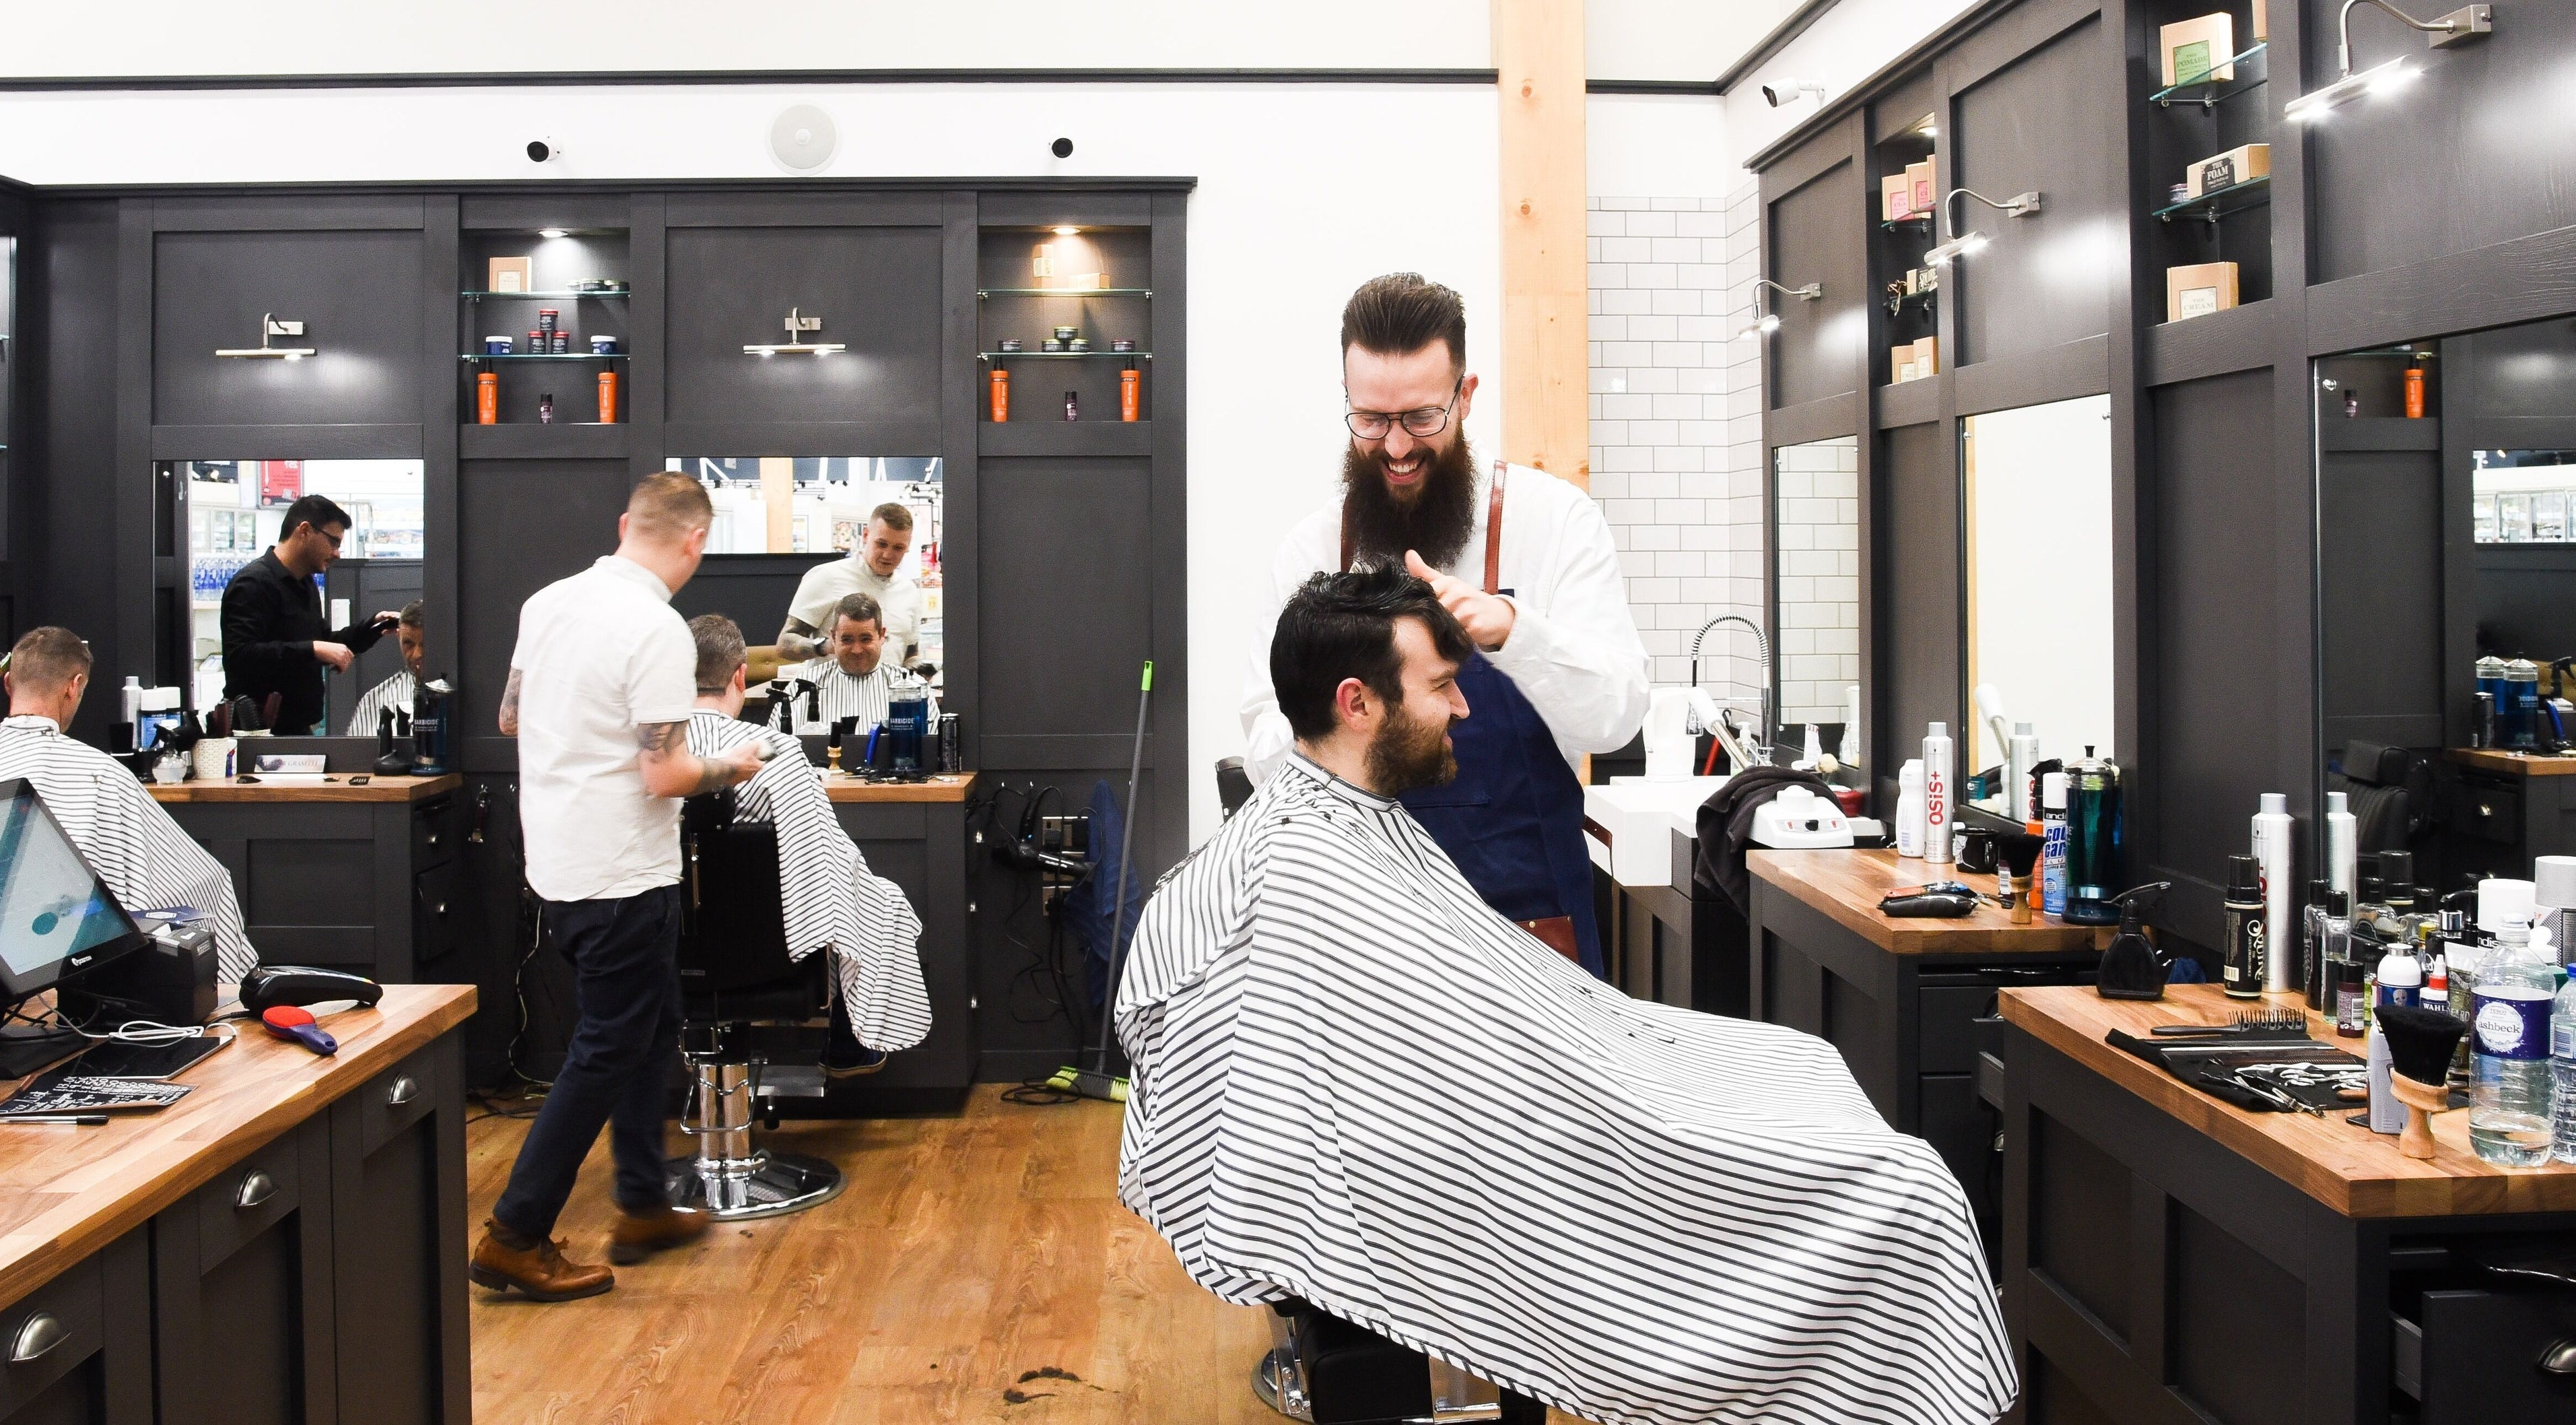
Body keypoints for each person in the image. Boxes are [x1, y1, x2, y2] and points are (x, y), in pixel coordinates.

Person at [1120, 570, 2016, 1425]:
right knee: (1909, 1189)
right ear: (1358, 704)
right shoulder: (1308, 867)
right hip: (1528, 1124)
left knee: (1799, 1061)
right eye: (1440, 686)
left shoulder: (1336, 824)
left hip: (1563, 1075)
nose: (1464, 708)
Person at [1240, 272, 1649, 976]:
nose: (1396, 446)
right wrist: (1341, 704)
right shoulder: (1311, 551)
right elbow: (1264, 751)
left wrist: (1516, 634)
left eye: (1421, 418)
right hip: (1365, 934)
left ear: (1467, 395)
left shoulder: (1553, 522)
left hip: (1529, 932)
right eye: (1371, 419)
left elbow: (1614, 719)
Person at [469, 472, 766, 1304]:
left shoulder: (548, 601)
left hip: (559, 859)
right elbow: (666, 770)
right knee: (609, 1042)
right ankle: (515, 1233)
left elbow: (510, 718)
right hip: (624, 872)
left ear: (625, 523)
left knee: (651, 1022)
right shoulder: (657, 629)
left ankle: (641, 1197)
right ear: (695, 541)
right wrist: (734, 765)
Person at [685, 614, 932, 1077]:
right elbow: (826, 866)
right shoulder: (772, 750)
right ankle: (847, 1041)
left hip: (658, 950)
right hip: (764, 953)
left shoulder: (652, 757)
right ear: (740, 675)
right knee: (877, 899)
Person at [0, 626, 259, 988]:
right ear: (74, 685)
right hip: (81, 962)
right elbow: (187, 884)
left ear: (8, 684)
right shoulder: (99, 773)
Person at [219, 494, 400, 735]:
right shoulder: (252, 583)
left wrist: (371, 629)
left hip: (300, 728)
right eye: (333, 542)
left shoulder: (305, 584)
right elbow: (240, 656)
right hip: (257, 733)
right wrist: (313, 649)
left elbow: (326, 644)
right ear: (304, 531)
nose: (337, 553)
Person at [775, 502, 926, 666]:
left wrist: (923, 671)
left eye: (898, 548)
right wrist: (827, 646)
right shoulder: (826, 576)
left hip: (888, 690)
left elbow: (910, 654)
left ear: (908, 547)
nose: (888, 554)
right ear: (866, 535)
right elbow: (785, 644)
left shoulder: (909, 591)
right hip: (833, 690)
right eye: (881, 544)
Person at [776, 594, 935, 735]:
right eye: (847, 640)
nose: (857, 650)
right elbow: (777, 753)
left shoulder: (916, 689)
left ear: (881, 635)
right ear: (833, 637)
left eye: (866, 639)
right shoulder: (801, 688)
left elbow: (933, 751)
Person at [343, 602, 423, 739]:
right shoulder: (375, 700)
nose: (417, 654)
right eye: (408, 644)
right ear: (398, 637)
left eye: (425, 644)